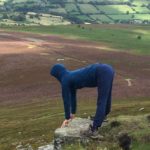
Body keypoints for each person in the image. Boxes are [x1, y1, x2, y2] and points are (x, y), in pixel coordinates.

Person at [50, 63, 115, 137]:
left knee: (102, 99)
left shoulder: (65, 80)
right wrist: (73, 113)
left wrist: (67, 117)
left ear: (57, 74)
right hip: (108, 69)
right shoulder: (69, 76)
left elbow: (66, 100)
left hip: (102, 71)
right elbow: (72, 96)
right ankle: (103, 116)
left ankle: (95, 128)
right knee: (107, 95)